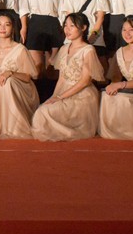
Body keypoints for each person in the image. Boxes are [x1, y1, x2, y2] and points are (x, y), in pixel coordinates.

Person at [31, 13, 105, 141]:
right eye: (65, 25)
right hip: (64, 91)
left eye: (72, 26)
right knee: (41, 111)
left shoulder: (88, 50)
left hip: (82, 95)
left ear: (83, 28)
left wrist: (60, 97)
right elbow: (62, 78)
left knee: (45, 112)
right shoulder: (64, 48)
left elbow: (85, 81)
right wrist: (54, 97)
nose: (67, 29)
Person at [0, 10, 40, 139]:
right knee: (0, 87)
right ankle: (1, 125)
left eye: (7, 24)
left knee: (8, 82)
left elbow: (28, 77)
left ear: (13, 28)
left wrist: (11, 73)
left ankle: (16, 127)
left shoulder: (20, 49)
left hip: (21, 91)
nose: (2, 28)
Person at [60, 0, 109, 69]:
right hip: (75, 35)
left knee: (97, 67)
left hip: (93, 35)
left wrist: (94, 34)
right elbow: (69, 16)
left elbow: (100, 17)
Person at [24, 0, 65, 75]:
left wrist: (63, 27)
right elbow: (25, 7)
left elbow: (62, 9)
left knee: (52, 68)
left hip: (53, 24)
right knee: (36, 68)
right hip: (35, 25)